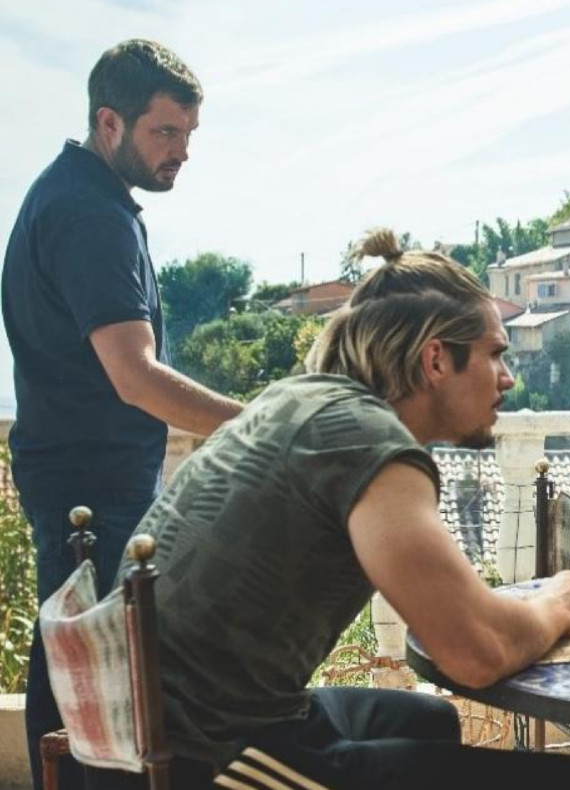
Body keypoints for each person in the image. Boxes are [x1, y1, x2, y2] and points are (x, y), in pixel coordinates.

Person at [83, 230, 570, 790]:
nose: (508, 378)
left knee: (427, 720)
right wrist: (558, 605)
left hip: (140, 735)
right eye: (494, 354)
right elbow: (474, 654)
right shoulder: (369, 444)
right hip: (205, 762)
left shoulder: (293, 399)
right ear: (436, 359)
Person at [2, 39, 244, 790]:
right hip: (91, 485)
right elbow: (135, 377)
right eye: (165, 132)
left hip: (76, 474)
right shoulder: (90, 216)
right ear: (109, 122)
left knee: (70, 664)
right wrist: (254, 424)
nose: (182, 152)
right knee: (94, 690)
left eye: (189, 134)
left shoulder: (69, 194)